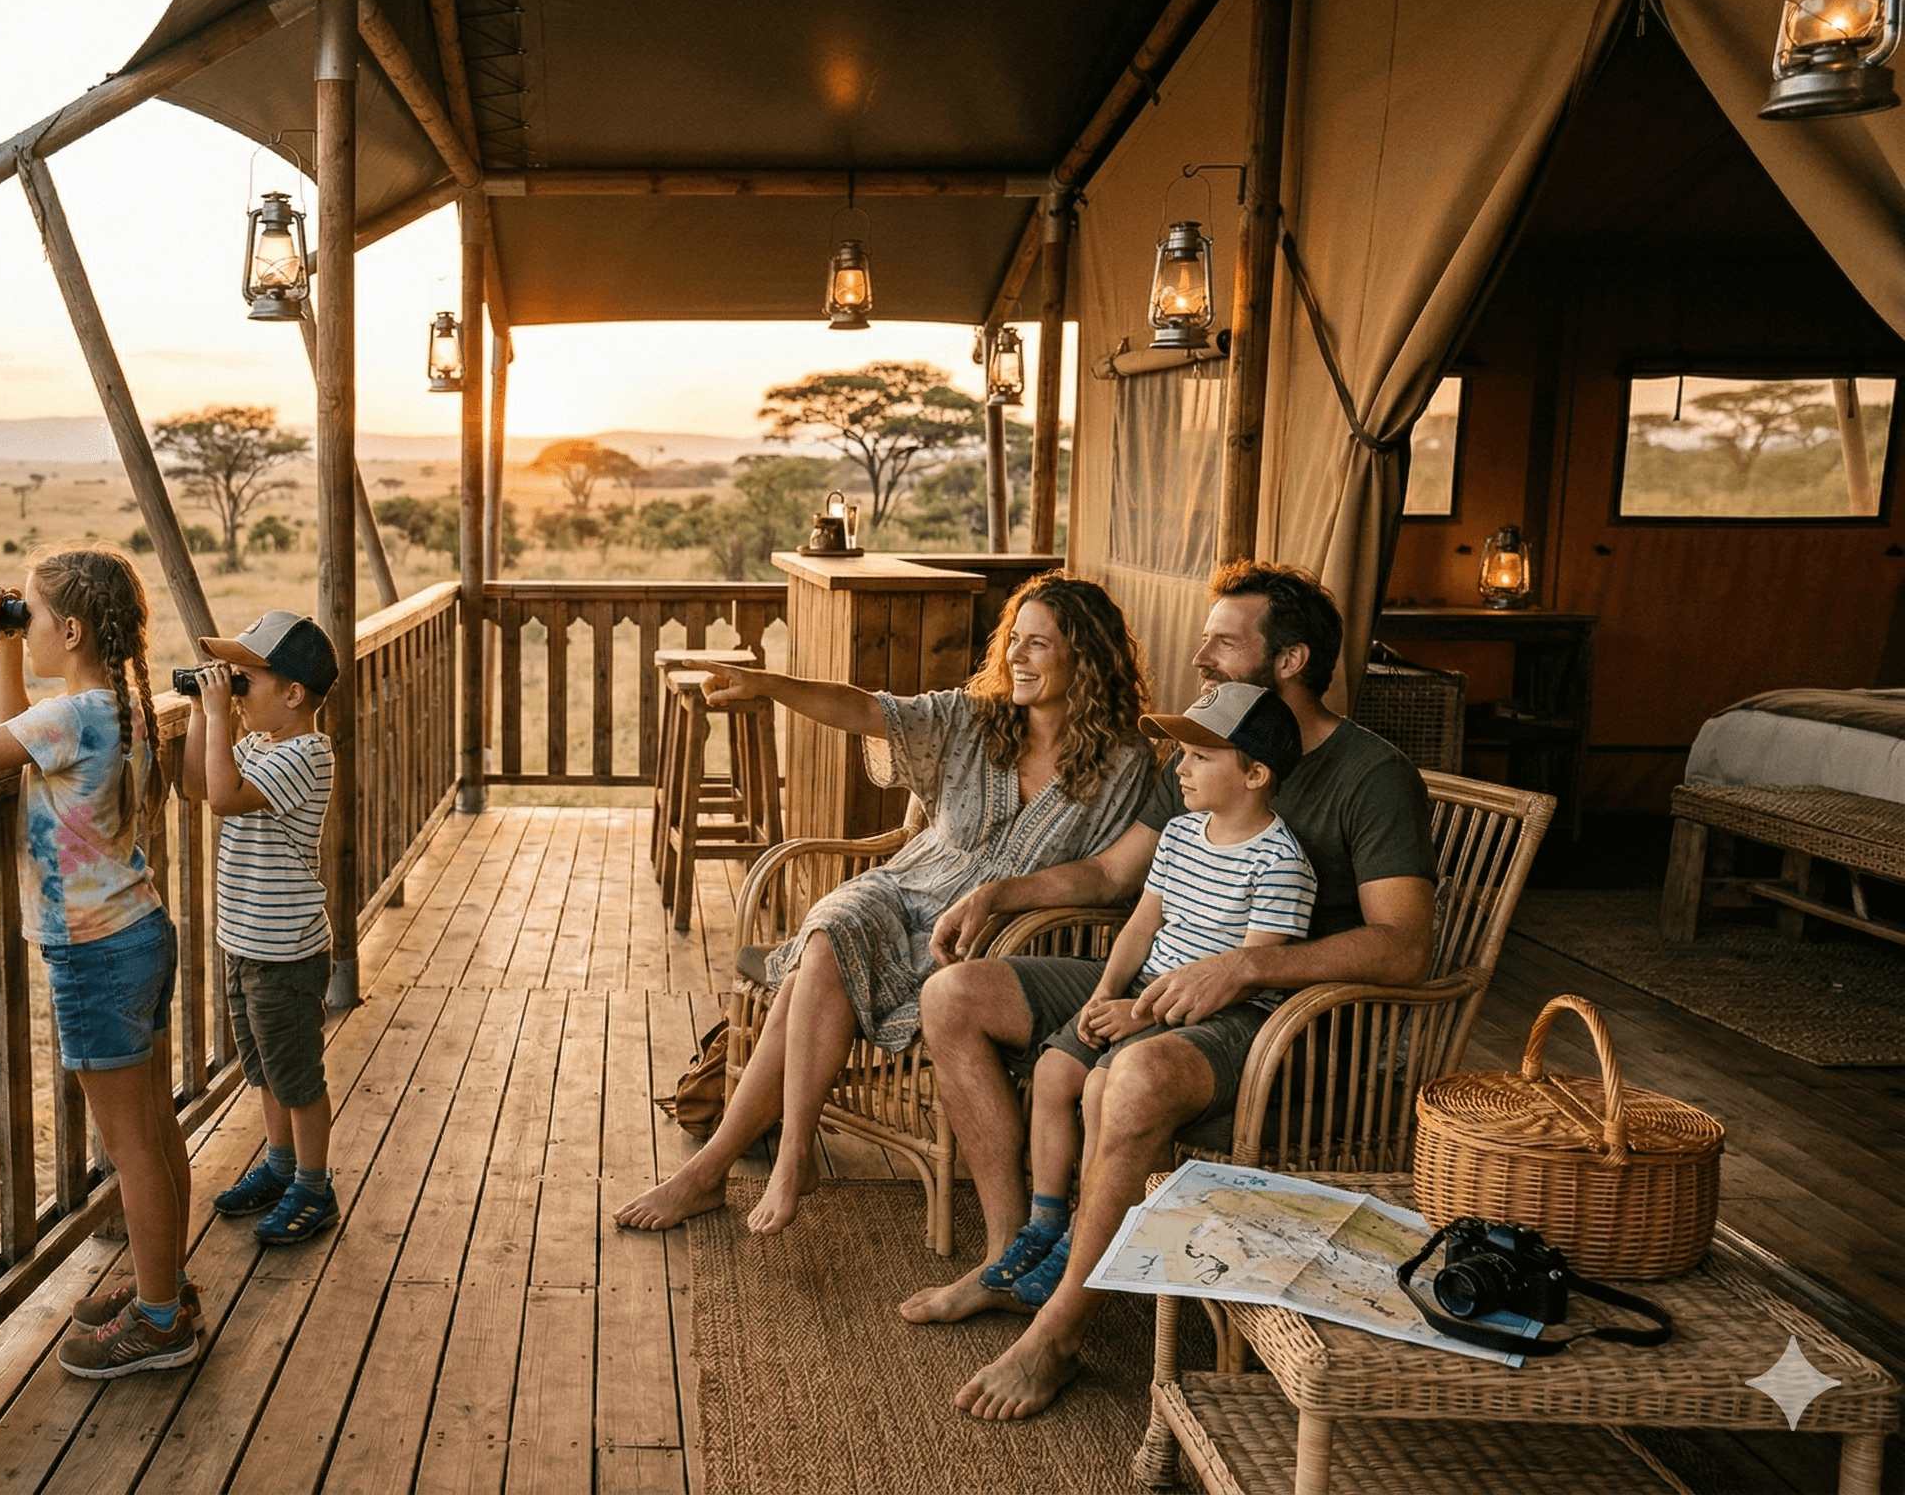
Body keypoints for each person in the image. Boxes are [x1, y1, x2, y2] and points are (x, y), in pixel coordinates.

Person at [900, 561, 1438, 1422]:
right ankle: (1017, 1258)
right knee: (955, 995)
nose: (1201, 655)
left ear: (1291, 659)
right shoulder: (1200, 746)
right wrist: (999, 892)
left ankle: (1060, 1333)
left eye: (1225, 641)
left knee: (1134, 1080)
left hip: (1282, 1023)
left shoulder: (1370, 775)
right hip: (1164, 978)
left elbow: (1405, 948)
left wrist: (1246, 966)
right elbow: (1123, 876)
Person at [615, 573, 1160, 1239]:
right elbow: (864, 710)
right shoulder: (973, 717)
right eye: (1014, 640)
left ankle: (715, 1172)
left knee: (820, 964)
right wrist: (769, 685)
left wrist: (1000, 894)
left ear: (1086, 658)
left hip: (996, 938)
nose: (1016, 657)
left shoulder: (1127, 763)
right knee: (835, 927)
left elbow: (1106, 879)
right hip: (907, 885)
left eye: (1038, 645)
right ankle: (791, 1156)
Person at [0, 547, 199, 1381]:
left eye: (32, 618)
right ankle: (169, 1289)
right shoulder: (114, 707)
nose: (24, 628)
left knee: (133, 1147)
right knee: (154, 1131)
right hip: (141, 930)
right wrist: (9, 647)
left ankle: (159, 1324)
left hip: (93, 953)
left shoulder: (73, 718)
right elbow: (19, 735)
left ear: (71, 628)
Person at [985, 681, 1315, 1308]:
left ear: (1256, 773)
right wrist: (1104, 993)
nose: (1179, 768)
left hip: (1211, 1010)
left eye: (1198, 757)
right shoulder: (1181, 835)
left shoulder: (1278, 863)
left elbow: (1248, 972)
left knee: (1100, 1088)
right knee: (1056, 1074)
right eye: (1181, 753)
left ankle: (1083, 1235)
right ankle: (1046, 1221)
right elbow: (1143, 925)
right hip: (1140, 993)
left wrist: (1136, 1017)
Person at [181, 609, 345, 1247]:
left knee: (297, 1077)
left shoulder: (305, 754)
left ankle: (313, 1184)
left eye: (246, 679)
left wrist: (221, 716)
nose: (236, 689)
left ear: (293, 694)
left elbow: (225, 798)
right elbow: (198, 782)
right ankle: (280, 1168)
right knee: (265, 1070)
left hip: (285, 951)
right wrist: (202, 711)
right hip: (245, 943)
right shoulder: (257, 744)